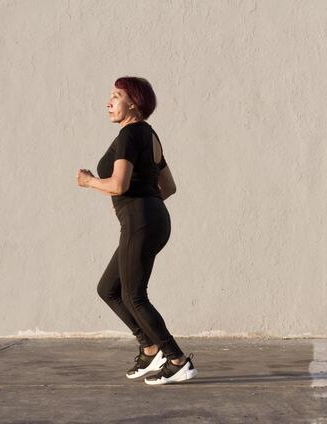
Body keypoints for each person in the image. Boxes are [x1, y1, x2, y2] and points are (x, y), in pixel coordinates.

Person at [77, 76, 197, 385]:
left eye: (116, 96)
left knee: (134, 294)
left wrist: (90, 181)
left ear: (133, 102)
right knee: (109, 288)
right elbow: (168, 187)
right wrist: (146, 203)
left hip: (140, 221)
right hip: (153, 218)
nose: (109, 101)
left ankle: (176, 358)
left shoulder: (129, 135)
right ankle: (149, 347)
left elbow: (119, 184)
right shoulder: (149, 135)